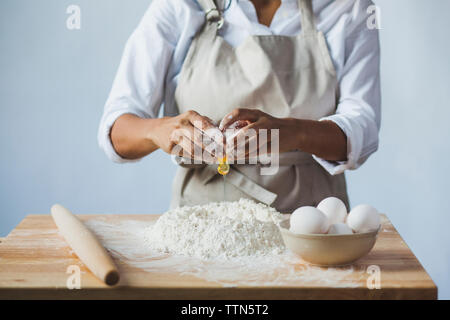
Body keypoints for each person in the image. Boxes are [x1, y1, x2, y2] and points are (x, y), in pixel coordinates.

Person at [98, 0, 381, 213]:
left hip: (314, 227)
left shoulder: (348, 8)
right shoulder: (179, 7)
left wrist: (294, 132)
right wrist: (162, 130)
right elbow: (117, 132)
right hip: (200, 223)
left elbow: (362, 128)